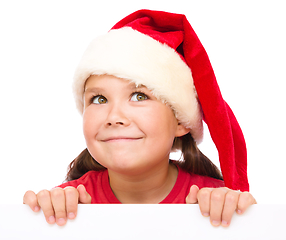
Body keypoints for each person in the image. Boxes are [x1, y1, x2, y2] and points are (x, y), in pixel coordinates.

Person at [23, 9, 256, 228]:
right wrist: (38, 218)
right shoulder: (67, 206)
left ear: (181, 121)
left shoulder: (218, 204)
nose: (114, 117)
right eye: (99, 99)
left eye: (139, 95)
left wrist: (243, 218)